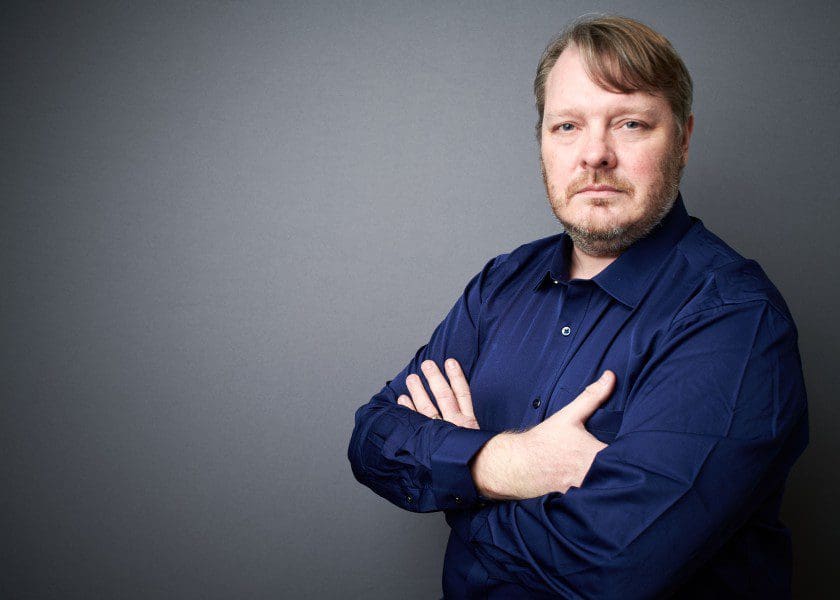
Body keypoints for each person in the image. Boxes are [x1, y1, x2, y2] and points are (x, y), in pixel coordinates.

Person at [347, 14, 808, 599]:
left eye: (631, 123)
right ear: (543, 140)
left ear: (684, 140)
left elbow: (615, 565)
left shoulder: (735, 319)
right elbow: (374, 439)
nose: (595, 154)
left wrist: (460, 494)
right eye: (567, 125)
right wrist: (505, 465)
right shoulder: (501, 284)